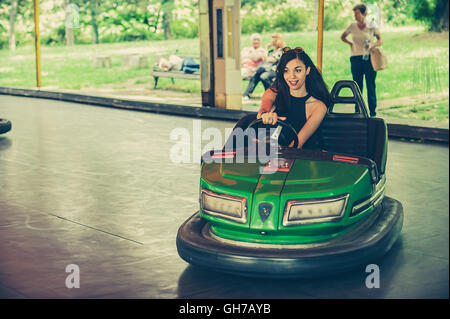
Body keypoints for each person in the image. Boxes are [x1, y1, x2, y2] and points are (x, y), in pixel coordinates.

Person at [228, 47, 330, 151]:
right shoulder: (273, 93)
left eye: (297, 70)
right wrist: (265, 115)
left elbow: (296, 145)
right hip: (274, 154)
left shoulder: (318, 107)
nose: (292, 76)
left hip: (300, 158)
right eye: (286, 71)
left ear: (307, 70)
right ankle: (226, 161)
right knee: (245, 123)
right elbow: (263, 110)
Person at [340, 3, 383, 117]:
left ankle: (372, 112)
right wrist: (350, 44)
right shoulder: (352, 26)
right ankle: (357, 111)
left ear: (364, 13)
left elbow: (380, 40)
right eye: (354, 13)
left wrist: (373, 44)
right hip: (356, 59)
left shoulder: (371, 25)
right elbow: (342, 36)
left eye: (357, 13)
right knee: (357, 86)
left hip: (369, 58)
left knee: (370, 85)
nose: (355, 16)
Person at [243, 33, 284, 100]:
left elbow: (271, 60)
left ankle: (272, 94)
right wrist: (267, 48)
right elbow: (265, 59)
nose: (271, 41)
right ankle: (246, 95)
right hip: (268, 70)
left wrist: (266, 54)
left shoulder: (281, 51)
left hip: (275, 71)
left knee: (263, 76)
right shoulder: (271, 51)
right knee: (257, 75)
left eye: (273, 40)